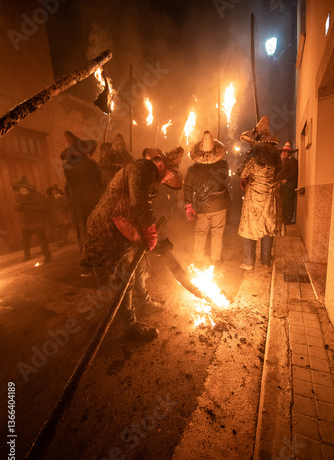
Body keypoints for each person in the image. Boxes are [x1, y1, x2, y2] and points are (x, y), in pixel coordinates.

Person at [80, 146, 184, 342]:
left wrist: (149, 235)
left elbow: (137, 203)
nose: (167, 180)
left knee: (139, 264)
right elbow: (139, 205)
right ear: (161, 164)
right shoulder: (144, 168)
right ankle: (130, 325)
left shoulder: (147, 172)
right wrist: (151, 231)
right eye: (169, 174)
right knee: (126, 274)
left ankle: (144, 300)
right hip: (111, 225)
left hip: (122, 223)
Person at [237, 116, 284, 271]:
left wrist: (245, 161)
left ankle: (249, 262)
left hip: (255, 197)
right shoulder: (275, 153)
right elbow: (279, 173)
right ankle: (265, 261)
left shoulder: (254, 153)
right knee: (267, 229)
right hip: (270, 197)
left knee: (249, 228)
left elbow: (243, 172)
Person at [183, 130, 231, 267]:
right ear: (215, 150)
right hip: (220, 205)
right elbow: (226, 181)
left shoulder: (192, 169)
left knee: (200, 233)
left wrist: (188, 206)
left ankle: (198, 260)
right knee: (217, 233)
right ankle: (215, 260)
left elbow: (187, 188)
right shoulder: (224, 165)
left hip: (202, 206)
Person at [61, 131, 104, 251]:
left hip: (91, 214)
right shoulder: (88, 169)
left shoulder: (89, 169)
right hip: (83, 215)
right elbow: (70, 201)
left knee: (93, 244)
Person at [12, 176, 52, 263]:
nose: (22, 190)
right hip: (26, 223)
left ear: (28, 189)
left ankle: (47, 256)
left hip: (37, 221)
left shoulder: (37, 196)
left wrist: (30, 207)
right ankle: (27, 255)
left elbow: (45, 207)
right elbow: (15, 209)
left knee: (42, 240)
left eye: (23, 188)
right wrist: (18, 207)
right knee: (25, 240)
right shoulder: (18, 197)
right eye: (20, 188)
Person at [277, 142, 298, 225]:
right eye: (282, 152)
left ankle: (288, 220)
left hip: (289, 184)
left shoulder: (292, 161)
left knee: (288, 202)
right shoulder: (284, 162)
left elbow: (293, 173)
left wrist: (285, 180)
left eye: (285, 151)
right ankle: (285, 219)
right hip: (284, 185)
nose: (283, 153)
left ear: (289, 153)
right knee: (284, 202)